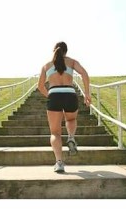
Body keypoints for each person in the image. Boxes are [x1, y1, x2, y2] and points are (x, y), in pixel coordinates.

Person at [37, 41, 91, 173]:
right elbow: (84, 73)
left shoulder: (46, 65)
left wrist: (49, 95)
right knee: (71, 120)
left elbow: (40, 86)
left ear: (54, 50)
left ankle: (59, 163)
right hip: (70, 94)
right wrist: (87, 94)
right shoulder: (72, 62)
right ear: (66, 51)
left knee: (55, 132)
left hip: (54, 94)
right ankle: (71, 137)